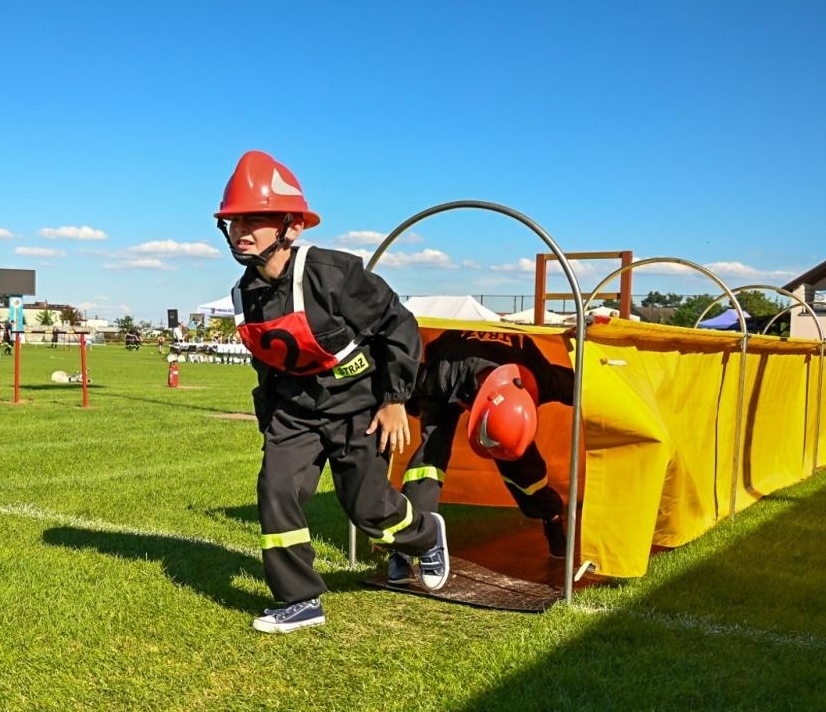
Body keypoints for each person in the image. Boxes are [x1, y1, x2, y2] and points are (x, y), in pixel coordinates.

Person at [220, 150, 448, 634]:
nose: (242, 230)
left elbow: (399, 328)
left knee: (371, 513)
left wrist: (394, 400)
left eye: (255, 218)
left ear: (291, 226)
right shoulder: (243, 294)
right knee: (276, 489)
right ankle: (300, 600)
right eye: (233, 220)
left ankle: (425, 535)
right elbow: (269, 363)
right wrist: (273, 424)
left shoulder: (335, 274)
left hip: (357, 409)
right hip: (294, 412)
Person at [393, 329, 576, 583]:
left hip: (507, 387)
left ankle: (551, 516)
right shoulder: (441, 376)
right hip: (451, 378)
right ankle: (408, 545)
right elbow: (403, 384)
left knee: (524, 471)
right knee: (428, 459)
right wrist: (399, 404)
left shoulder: (540, 376)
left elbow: (584, 385)